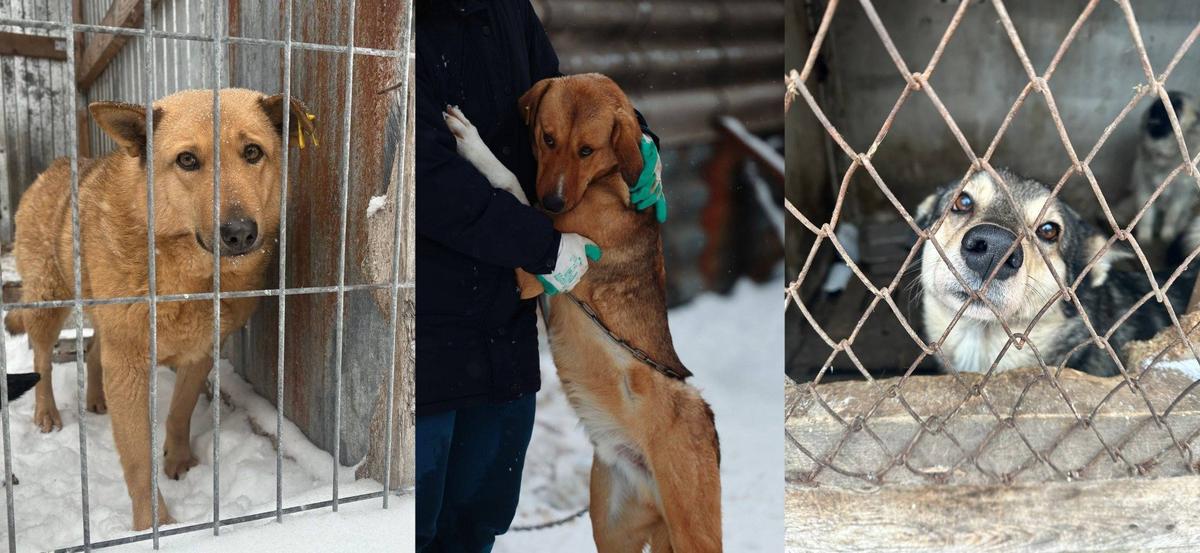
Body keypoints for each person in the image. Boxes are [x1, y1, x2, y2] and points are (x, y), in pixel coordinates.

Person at [414, 1, 664, 551]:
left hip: (504, 334)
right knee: (416, 524)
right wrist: (545, 246)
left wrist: (641, 144)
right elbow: (427, 184)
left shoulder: (504, 8)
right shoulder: (392, 24)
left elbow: (574, 99)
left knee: (480, 519)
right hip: (423, 335)